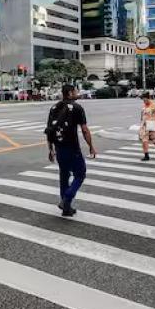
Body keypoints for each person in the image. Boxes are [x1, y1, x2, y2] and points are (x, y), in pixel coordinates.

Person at [44, 84, 97, 217]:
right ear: (69, 93)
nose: (77, 93)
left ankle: (66, 208)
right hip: (72, 148)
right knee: (80, 174)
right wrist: (91, 146)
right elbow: (84, 130)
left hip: (59, 147)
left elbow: (49, 130)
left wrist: (50, 149)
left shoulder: (54, 107)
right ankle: (67, 198)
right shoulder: (77, 108)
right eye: (76, 91)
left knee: (64, 175)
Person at [138, 92, 155, 161]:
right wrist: (141, 124)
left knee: (154, 140)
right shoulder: (144, 106)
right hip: (144, 125)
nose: (144, 101)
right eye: (143, 100)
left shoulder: (154, 106)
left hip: (152, 125)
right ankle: (146, 155)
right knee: (144, 140)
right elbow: (142, 115)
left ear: (148, 98)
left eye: (145, 99)